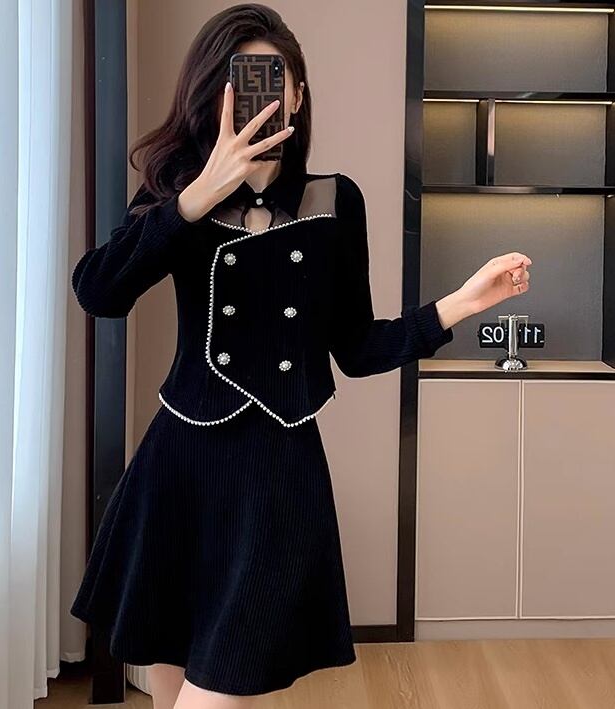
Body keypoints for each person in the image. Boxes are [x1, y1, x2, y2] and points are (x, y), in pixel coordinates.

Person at [69, 5, 532, 708]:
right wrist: (198, 194)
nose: (258, 91)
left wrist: (460, 304)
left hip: (278, 475)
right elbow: (99, 291)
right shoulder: (176, 195)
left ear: (298, 92)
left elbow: (358, 347)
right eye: (240, 77)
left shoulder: (333, 200)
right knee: (169, 690)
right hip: (179, 464)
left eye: (273, 75)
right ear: (213, 93)